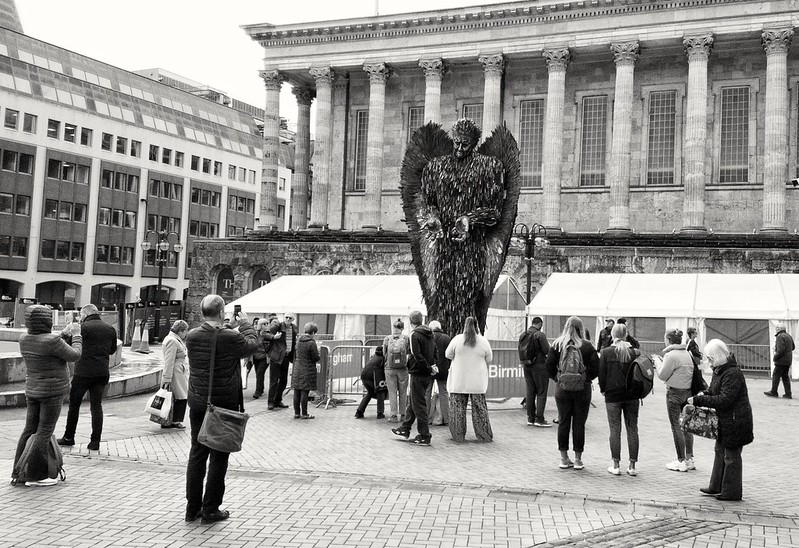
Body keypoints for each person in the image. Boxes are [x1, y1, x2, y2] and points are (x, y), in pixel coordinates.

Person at [413, 118, 508, 336]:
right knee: (442, 297)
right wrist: (433, 220)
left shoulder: (490, 167)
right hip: (444, 248)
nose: (459, 148)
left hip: (473, 248)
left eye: (465, 144)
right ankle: (442, 344)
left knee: (468, 299)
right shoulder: (434, 168)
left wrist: (469, 220)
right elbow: (428, 205)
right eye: (456, 143)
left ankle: (467, 342)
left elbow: (494, 211)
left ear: (474, 143)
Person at [185, 294, 259, 524]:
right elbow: (252, 345)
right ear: (221, 313)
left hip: (198, 402)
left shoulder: (191, 336)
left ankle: (192, 508)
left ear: (202, 312)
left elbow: (212, 340)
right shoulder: (230, 337)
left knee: (197, 453)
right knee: (219, 456)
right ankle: (211, 509)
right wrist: (245, 324)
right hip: (222, 405)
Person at [12, 305, 82, 486]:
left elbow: (52, 347)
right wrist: (76, 335)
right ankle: (35, 475)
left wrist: (63, 336)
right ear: (47, 320)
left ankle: (18, 471)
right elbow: (75, 355)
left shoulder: (24, 339)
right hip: (52, 391)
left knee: (29, 429)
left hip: (33, 390)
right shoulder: (51, 341)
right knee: (45, 431)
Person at [687, 339, 754, 501]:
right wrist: (704, 394)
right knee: (720, 452)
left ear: (716, 357)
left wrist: (700, 400)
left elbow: (725, 400)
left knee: (731, 457)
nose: (709, 362)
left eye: (710, 359)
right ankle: (716, 486)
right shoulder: (721, 371)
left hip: (735, 422)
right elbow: (714, 390)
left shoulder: (732, 373)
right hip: (727, 421)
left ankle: (731, 492)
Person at [58, 303, 118, 451]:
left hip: (83, 372)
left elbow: (66, 345)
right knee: (96, 406)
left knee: (74, 406)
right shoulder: (110, 329)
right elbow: (112, 351)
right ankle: (95, 441)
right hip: (102, 373)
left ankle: (69, 437)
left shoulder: (82, 328)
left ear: (84, 315)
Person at [545, 316, 599, 470]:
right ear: (581, 328)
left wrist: (558, 378)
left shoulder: (557, 344)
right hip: (582, 390)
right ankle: (578, 459)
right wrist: (585, 378)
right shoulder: (588, 346)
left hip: (562, 390)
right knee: (579, 423)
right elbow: (596, 369)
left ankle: (563, 458)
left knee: (563, 422)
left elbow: (548, 366)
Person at [598, 323, 640, 476]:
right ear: (626, 334)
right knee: (632, 429)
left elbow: (602, 374)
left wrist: (603, 390)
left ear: (613, 335)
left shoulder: (607, 352)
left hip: (613, 395)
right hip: (632, 396)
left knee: (615, 429)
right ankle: (632, 466)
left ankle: (615, 465)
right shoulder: (635, 352)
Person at [391, 310, 438, 446]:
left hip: (418, 372)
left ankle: (424, 435)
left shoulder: (414, 335)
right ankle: (405, 428)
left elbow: (416, 355)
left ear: (411, 322)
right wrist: (433, 366)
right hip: (427, 373)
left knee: (419, 405)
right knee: (414, 401)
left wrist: (427, 367)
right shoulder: (430, 333)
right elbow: (435, 351)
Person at [445, 316, 493, 442]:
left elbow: (448, 354)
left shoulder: (457, 340)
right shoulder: (483, 341)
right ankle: (484, 435)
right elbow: (489, 358)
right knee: (479, 409)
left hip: (459, 381)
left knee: (457, 409)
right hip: (477, 382)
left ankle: (458, 435)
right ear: (477, 326)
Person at [655, 327, 695, 473]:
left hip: (674, 393)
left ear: (669, 340)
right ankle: (689, 457)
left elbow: (662, 375)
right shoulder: (687, 353)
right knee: (687, 425)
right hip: (687, 392)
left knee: (676, 426)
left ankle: (680, 460)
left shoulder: (670, 355)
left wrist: (658, 362)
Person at [521, 316, 552, 427]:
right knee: (541, 392)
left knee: (530, 392)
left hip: (527, 366)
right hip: (540, 367)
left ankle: (530, 418)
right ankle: (540, 419)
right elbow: (547, 351)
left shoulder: (523, 334)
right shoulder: (540, 335)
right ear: (540, 324)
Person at [160, 320, 189, 429]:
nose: (186, 334)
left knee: (177, 396)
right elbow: (169, 361)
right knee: (180, 397)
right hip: (176, 373)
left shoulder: (174, 339)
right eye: (185, 331)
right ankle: (176, 420)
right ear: (181, 330)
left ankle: (171, 420)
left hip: (178, 372)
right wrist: (166, 378)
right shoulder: (173, 341)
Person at [264, 314, 296, 410]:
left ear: (293, 319)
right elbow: (265, 333)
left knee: (283, 381)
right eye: (286, 317)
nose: (287, 319)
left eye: (290, 318)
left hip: (286, 356)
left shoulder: (294, 327)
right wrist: (273, 337)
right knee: (274, 381)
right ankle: (270, 402)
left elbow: (293, 341)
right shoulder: (278, 326)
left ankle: (278, 400)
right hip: (276, 357)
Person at [291, 321, 319, 420]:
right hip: (307, 369)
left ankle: (296, 413)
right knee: (304, 391)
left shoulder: (299, 341)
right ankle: (304, 413)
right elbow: (316, 357)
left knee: (296, 391)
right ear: (313, 332)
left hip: (297, 368)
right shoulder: (311, 343)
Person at [383, 319, 409, 423]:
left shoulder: (387, 338)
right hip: (403, 368)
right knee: (403, 392)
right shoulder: (406, 338)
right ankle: (403, 414)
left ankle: (393, 415)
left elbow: (384, 353)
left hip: (389, 368)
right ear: (402, 328)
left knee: (392, 392)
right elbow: (408, 351)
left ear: (393, 327)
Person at [426, 320, 450, 426]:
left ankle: (426, 418)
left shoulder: (427, 337)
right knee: (443, 393)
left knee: (427, 392)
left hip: (430, 368)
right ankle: (446, 418)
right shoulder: (446, 338)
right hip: (443, 369)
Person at [356, 346, 386, 419]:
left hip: (364, 376)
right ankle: (380, 413)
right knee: (380, 393)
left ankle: (359, 412)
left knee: (370, 393)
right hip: (372, 378)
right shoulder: (383, 359)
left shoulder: (373, 357)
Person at [765, 323, 793, 399]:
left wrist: (775, 357)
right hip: (788, 360)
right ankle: (788, 393)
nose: (776, 329)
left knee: (776, 375)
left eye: (777, 328)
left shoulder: (780, 336)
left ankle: (774, 391)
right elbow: (793, 347)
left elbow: (780, 350)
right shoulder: (789, 336)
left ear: (779, 329)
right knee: (785, 376)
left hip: (781, 360)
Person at [251, 318, 271, 399]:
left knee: (260, 373)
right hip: (256, 356)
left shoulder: (268, 334)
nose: (265, 325)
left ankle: (258, 391)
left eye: (266, 324)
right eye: (263, 324)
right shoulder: (255, 334)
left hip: (264, 357)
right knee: (258, 374)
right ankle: (261, 389)